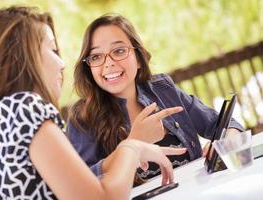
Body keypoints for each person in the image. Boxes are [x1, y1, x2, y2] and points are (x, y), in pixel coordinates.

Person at [0, 6, 187, 200]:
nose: (62, 63)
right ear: (21, 58)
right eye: (52, 49)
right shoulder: (25, 109)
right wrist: (132, 147)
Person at [67, 14, 244, 181]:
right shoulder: (82, 119)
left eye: (119, 51)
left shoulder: (163, 89)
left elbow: (225, 125)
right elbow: (79, 185)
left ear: (138, 58)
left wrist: (226, 144)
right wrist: (133, 145)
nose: (109, 62)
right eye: (96, 56)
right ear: (89, 67)